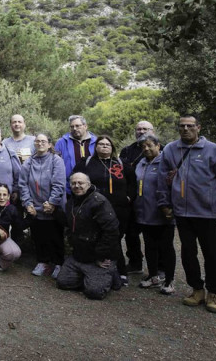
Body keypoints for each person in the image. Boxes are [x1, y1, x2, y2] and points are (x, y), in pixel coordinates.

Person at [158, 114, 216, 313]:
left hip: (209, 214)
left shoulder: (214, 150)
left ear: (198, 128)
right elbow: (162, 179)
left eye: (190, 126)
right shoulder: (170, 149)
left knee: (213, 255)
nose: (185, 129)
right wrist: (165, 203)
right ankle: (197, 290)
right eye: (182, 126)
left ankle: (213, 294)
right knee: (188, 253)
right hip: (183, 214)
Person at [72, 135, 131, 283]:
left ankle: (119, 270)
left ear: (112, 147)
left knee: (114, 238)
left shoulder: (121, 163)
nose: (104, 146)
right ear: (95, 146)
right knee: (96, 236)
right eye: (101, 144)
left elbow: (132, 183)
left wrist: (129, 197)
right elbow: (75, 180)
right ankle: (96, 267)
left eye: (107, 144)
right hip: (93, 208)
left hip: (119, 209)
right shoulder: (86, 162)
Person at [55, 172, 120, 300]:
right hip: (79, 255)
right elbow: (69, 224)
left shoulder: (99, 202)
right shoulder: (71, 203)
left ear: (89, 184)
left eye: (81, 183)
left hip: (97, 258)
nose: (77, 186)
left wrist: (100, 256)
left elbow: (111, 231)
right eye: (73, 183)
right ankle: (88, 277)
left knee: (94, 292)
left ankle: (111, 274)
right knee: (62, 282)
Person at [18, 132, 66, 278]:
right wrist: (27, 203)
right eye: (37, 141)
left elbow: (59, 183)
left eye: (43, 141)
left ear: (50, 144)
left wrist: (52, 202)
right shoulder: (29, 162)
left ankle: (58, 263)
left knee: (55, 236)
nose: (40, 144)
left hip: (52, 207)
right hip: (35, 207)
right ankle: (42, 262)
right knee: (39, 236)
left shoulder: (56, 160)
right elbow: (22, 184)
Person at [133, 133, 176, 294]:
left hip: (163, 213)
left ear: (158, 146)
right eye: (143, 146)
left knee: (166, 247)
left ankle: (170, 280)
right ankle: (153, 275)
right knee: (150, 246)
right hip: (144, 213)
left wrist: (170, 207)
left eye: (150, 145)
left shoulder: (166, 162)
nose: (146, 148)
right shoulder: (141, 164)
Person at [119, 120, 155, 274]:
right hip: (131, 198)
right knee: (131, 233)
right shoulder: (127, 150)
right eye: (139, 129)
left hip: (151, 199)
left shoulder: (162, 148)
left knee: (152, 235)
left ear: (152, 131)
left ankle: (158, 268)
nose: (141, 131)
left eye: (145, 129)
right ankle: (135, 263)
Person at [54, 115, 97, 185]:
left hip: (92, 184)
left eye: (77, 126)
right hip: (69, 185)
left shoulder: (96, 142)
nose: (74, 128)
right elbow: (55, 164)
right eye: (72, 126)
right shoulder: (61, 142)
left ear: (85, 126)